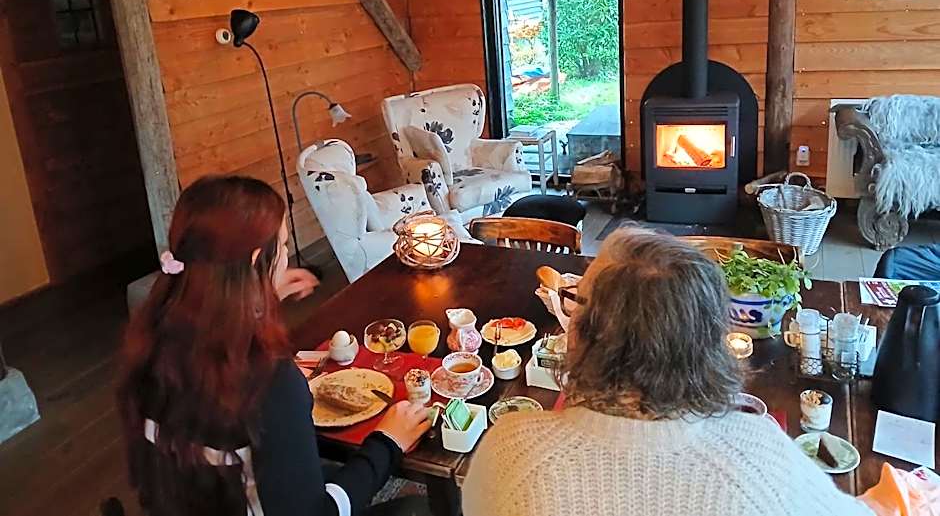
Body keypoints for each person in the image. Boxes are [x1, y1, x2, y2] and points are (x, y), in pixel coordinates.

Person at [462, 227, 872, 516]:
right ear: (710, 338)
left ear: (584, 334)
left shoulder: (510, 448)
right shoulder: (761, 456)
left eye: (576, 301)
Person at [118, 175, 431, 516]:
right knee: (416, 508)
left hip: (194, 502)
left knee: (327, 472)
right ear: (255, 261)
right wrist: (388, 442)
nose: (286, 255)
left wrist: (260, 295)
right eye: (282, 246)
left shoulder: (152, 339)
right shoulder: (270, 384)